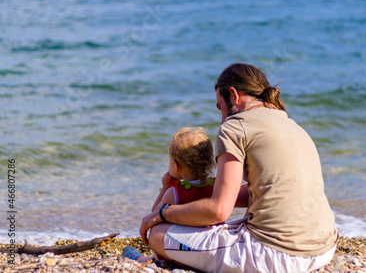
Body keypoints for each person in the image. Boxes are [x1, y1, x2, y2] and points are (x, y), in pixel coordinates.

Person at [139, 63, 339, 272]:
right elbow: (271, 189)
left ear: (233, 95)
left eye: (220, 107)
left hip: (278, 255)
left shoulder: (235, 127)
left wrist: (162, 214)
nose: (222, 117)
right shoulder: (291, 124)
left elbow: (219, 211)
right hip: (323, 248)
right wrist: (205, 192)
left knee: (158, 234)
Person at [124, 127, 216, 263]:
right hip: (211, 246)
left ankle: (146, 259)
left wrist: (165, 187)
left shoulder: (175, 192)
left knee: (156, 229)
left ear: (176, 165)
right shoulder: (215, 186)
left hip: (182, 248)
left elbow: (154, 215)